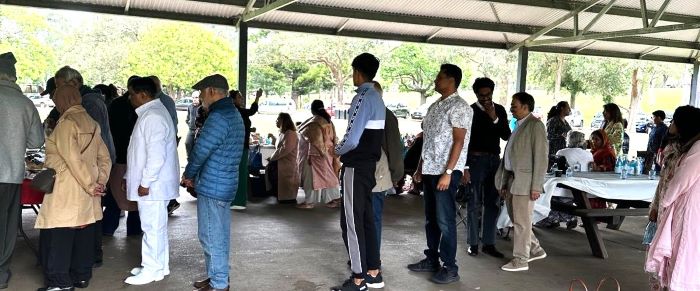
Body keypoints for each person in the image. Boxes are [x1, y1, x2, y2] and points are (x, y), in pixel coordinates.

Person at [35, 85, 111, 291]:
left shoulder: (67, 123)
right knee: (83, 232)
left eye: (55, 99)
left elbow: (72, 158)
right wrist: (99, 182)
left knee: (60, 234)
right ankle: (81, 276)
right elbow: (105, 158)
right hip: (89, 189)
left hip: (67, 187)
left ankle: (59, 283)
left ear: (62, 100)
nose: (54, 103)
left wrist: (89, 185)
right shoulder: (92, 123)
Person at [408, 64, 472, 284]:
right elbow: (428, 139)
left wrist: (449, 172)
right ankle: (432, 259)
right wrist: (419, 168)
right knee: (431, 219)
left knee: (445, 221)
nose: (435, 81)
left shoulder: (460, 107)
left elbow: (459, 141)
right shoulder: (435, 106)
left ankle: (450, 267)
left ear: (451, 80)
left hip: (446, 172)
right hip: (430, 169)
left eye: (440, 77)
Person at [181, 74, 243, 291]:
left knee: (210, 236)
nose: (200, 97)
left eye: (201, 93)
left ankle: (218, 284)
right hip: (223, 183)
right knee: (219, 234)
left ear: (212, 91)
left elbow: (200, 152)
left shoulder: (218, 117)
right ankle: (217, 276)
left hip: (213, 185)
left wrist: (188, 174)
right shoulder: (232, 113)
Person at [331, 53, 386, 291]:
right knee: (365, 220)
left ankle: (358, 278)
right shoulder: (377, 97)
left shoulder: (362, 96)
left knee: (351, 223)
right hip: (369, 166)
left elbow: (352, 138)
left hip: (356, 166)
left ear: (357, 71)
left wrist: (336, 151)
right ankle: (373, 272)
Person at [54, 65, 115, 267]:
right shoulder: (90, 103)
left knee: (86, 218)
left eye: (61, 86)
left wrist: (93, 183)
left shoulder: (81, 111)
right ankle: (87, 263)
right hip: (95, 167)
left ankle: (88, 258)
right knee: (90, 215)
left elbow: (78, 152)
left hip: (88, 170)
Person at [122, 77, 180, 285]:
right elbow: (140, 152)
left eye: (132, 94)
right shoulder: (152, 113)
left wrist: (145, 182)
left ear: (143, 95)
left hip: (153, 185)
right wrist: (130, 176)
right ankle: (159, 266)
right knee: (157, 227)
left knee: (151, 228)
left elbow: (156, 156)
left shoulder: (153, 116)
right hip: (153, 183)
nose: (130, 98)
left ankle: (151, 269)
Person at [0, 52, 44, 289]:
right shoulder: (25, 104)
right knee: (6, 225)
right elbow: (36, 142)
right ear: (14, 77)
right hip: (10, 175)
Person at [645, 105, 700, 291]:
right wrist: (656, 205)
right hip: (668, 205)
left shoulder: (695, 148)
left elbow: (679, 181)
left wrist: (665, 202)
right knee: (668, 252)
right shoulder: (678, 145)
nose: (671, 125)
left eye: (674, 121)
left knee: (676, 253)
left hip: (679, 208)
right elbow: (663, 181)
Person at [494, 92, 548, 272]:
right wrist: (503, 182)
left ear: (526, 106)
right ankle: (535, 249)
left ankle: (521, 259)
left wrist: (536, 186)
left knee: (521, 223)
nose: (511, 108)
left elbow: (541, 158)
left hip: (525, 183)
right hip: (512, 179)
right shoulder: (519, 125)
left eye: (514, 105)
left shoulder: (535, 126)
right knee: (519, 220)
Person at [463, 77, 511, 258]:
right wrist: (465, 167)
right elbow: (464, 141)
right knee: (474, 202)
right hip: (475, 160)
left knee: (493, 203)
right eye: (481, 95)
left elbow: (506, 135)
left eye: (488, 94)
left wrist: (495, 118)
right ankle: (473, 243)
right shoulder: (469, 111)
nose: (485, 98)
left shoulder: (499, 109)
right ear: (476, 94)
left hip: (494, 161)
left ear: (492, 92)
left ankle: (489, 243)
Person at [369, 82, 404, 258]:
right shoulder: (367, 113)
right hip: (365, 174)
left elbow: (394, 148)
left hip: (379, 174)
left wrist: (396, 173)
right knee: (363, 217)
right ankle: (365, 256)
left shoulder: (386, 116)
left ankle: (373, 260)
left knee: (373, 217)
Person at [104, 76, 141, 237]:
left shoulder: (115, 104)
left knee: (114, 195)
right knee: (136, 198)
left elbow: (109, 129)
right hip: (133, 157)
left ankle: (107, 228)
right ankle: (134, 230)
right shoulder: (141, 108)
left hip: (117, 155)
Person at [538, 131, 593, 229]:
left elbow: (556, 170)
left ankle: (553, 218)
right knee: (560, 197)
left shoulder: (562, 152)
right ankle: (568, 218)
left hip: (565, 187)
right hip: (583, 187)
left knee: (549, 193)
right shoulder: (589, 154)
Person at [296, 100, 342, 209]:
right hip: (328, 153)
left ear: (312, 109)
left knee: (311, 179)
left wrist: (320, 153)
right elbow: (334, 138)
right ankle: (334, 198)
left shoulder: (315, 122)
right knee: (329, 175)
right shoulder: (328, 120)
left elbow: (316, 141)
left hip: (316, 154)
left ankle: (309, 201)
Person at [147, 76, 180, 215]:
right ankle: (170, 200)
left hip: (164, 141)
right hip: (169, 140)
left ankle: (169, 201)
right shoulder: (166, 100)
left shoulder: (161, 102)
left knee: (161, 169)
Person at [230, 89, 262, 210]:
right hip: (240, 146)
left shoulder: (235, 111)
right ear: (233, 99)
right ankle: (238, 201)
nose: (241, 99)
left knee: (239, 172)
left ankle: (236, 200)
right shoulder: (237, 111)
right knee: (241, 173)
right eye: (239, 97)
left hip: (239, 145)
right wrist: (257, 98)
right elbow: (252, 111)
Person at [268, 113, 299, 203]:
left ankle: (287, 199)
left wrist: (272, 157)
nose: (276, 121)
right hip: (281, 162)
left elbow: (285, 149)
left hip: (287, 163)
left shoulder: (290, 133)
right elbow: (279, 146)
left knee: (286, 183)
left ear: (283, 121)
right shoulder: (283, 133)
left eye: (278, 119)